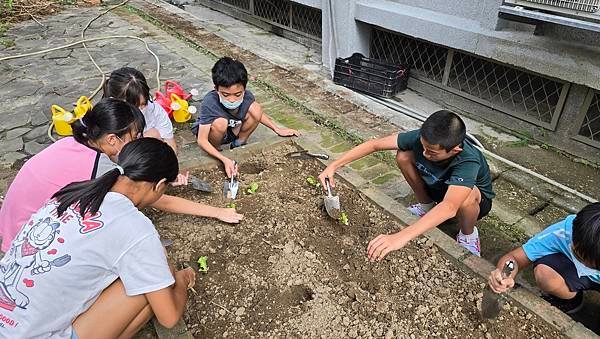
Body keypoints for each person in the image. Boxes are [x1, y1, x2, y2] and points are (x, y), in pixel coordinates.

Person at [0, 138, 196, 338]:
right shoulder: (135, 226)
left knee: (151, 270)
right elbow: (169, 318)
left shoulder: (74, 192)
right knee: (159, 277)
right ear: (160, 185)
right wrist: (181, 280)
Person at [0, 98, 242, 253]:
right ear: (112, 140)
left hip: (13, 226)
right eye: (135, 136)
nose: (138, 141)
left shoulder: (78, 143)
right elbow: (158, 199)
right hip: (29, 242)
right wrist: (218, 212)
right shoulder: (102, 166)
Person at [318, 110, 494, 258]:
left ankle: (468, 235)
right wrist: (334, 165)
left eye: (432, 152)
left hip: (469, 203)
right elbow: (374, 145)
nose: (425, 153)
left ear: (454, 150)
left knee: (467, 196)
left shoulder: (468, 161)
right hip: (439, 189)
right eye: (423, 147)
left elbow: (450, 206)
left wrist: (400, 237)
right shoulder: (422, 138)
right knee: (403, 156)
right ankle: (427, 207)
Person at [193, 57, 301, 178]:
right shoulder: (209, 102)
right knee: (221, 123)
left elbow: (258, 115)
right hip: (214, 133)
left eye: (237, 94)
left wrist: (277, 129)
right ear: (216, 89)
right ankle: (216, 150)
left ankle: (239, 143)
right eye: (226, 95)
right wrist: (224, 159)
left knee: (256, 109)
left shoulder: (247, 96)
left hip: (233, 129)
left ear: (244, 89)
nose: (232, 99)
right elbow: (202, 140)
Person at [488, 203, 600, 314]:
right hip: (572, 272)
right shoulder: (563, 233)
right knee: (545, 274)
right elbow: (515, 258)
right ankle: (571, 300)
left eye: (594, 266)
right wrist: (504, 275)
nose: (585, 266)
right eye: (578, 256)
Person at [103, 67, 178, 153]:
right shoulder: (106, 121)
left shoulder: (154, 110)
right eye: (134, 107)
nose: (140, 110)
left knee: (154, 134)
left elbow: (171, 147)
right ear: (114, 101)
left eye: (143, 104)